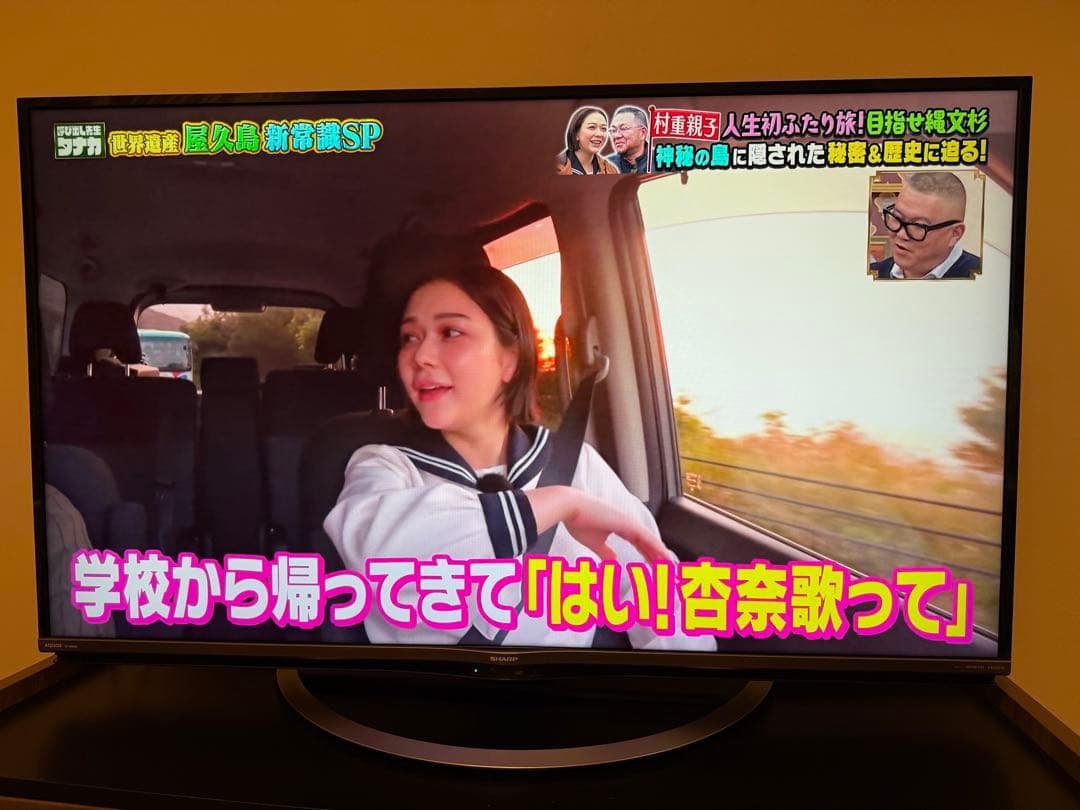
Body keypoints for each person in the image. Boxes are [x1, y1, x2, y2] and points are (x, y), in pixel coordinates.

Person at [324, 264, 714, 651]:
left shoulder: (576, 463)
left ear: (510, 358)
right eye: (409, 337)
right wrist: (559, 503)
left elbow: (655, 590)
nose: (420, 355)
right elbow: (381, 552)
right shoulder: (383, 465)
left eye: (451, 332)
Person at [870, 172, 981, 279]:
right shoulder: (872, 275)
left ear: (954, 234)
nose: (901, 234)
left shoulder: (981, 279)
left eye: (918, 226)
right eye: (897, 217)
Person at [556, 106, 619, 175]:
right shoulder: (557, 168)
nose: (599, 134)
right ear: (576, 133)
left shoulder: (610, 170)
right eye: (592, 127)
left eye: (603, 128)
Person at [606, 105, 650, 174]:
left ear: (642, 133)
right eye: (613, 130)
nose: (616, 136)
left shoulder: (662, 163)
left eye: (624, 128)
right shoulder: (606, 165)